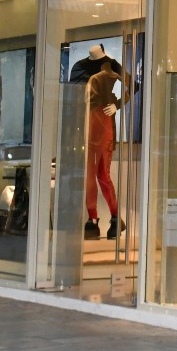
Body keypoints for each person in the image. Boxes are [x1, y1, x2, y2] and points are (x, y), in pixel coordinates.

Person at [71, 44, 129, 240]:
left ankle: (115, 217)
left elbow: (133, 85)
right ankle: (93, 219)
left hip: (103, 123)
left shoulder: (111, 66)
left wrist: (117, 105)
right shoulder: (79, 67)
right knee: (89, 174)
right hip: (85, 123)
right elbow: (72, 96)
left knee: (102, 173)